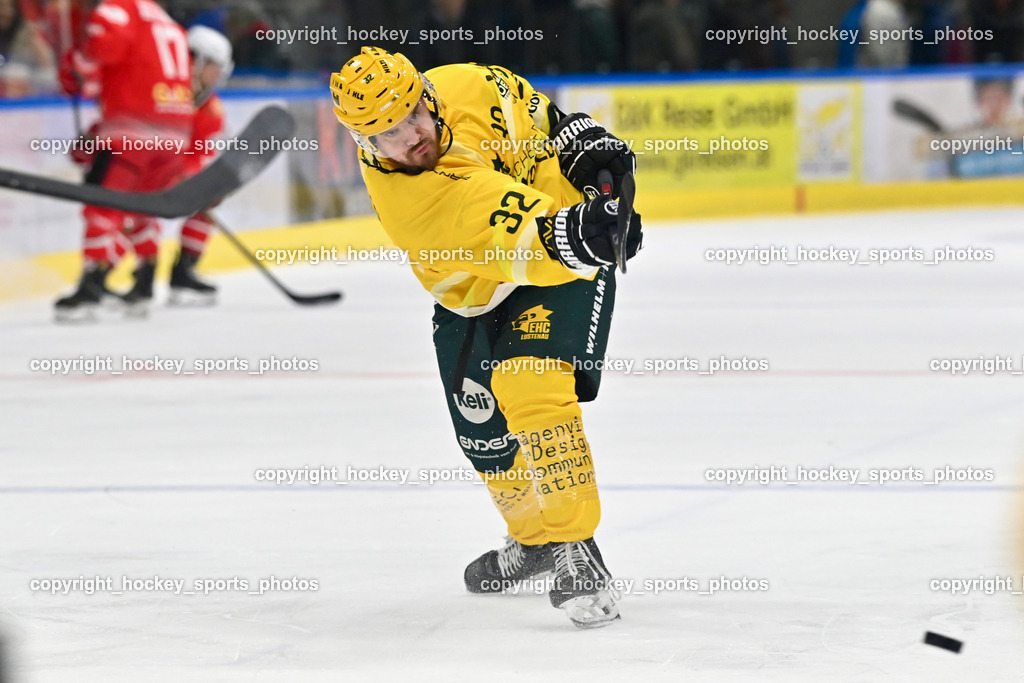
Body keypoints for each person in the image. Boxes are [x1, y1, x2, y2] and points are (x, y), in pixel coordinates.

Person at [330, 46, 642, 628]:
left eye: (412, 116)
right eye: (387, 136)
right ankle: (536, 542)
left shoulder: (469, 84)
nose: (410, 138)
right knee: (481, 430)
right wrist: (585, 233)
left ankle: (576, 547)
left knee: (530, 385)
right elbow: (518, 233)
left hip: (559, 262)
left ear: (427, 94)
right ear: (364, 145)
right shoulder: (413, 202)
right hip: (488, 276)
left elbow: (540, 116)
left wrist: (586, 144)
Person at [54, 0, 193, 321]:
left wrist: (75, 65)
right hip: (175, 134)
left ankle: (93, 286)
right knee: (139, 207)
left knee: (101, 205)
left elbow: (103, 50)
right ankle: (145, 280)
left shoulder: (118, 7)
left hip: (132, 132)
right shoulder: (167, 21)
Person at [169, 24, 233, 305]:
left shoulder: (212, 108)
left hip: (171, 176)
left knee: (211, 196)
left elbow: (199, 154)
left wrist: (191, 178)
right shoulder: (166, 91)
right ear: (195, 60)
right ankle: (104, 275)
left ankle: (184, 272)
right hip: (146, 170)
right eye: (214, 66)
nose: (217, 74)